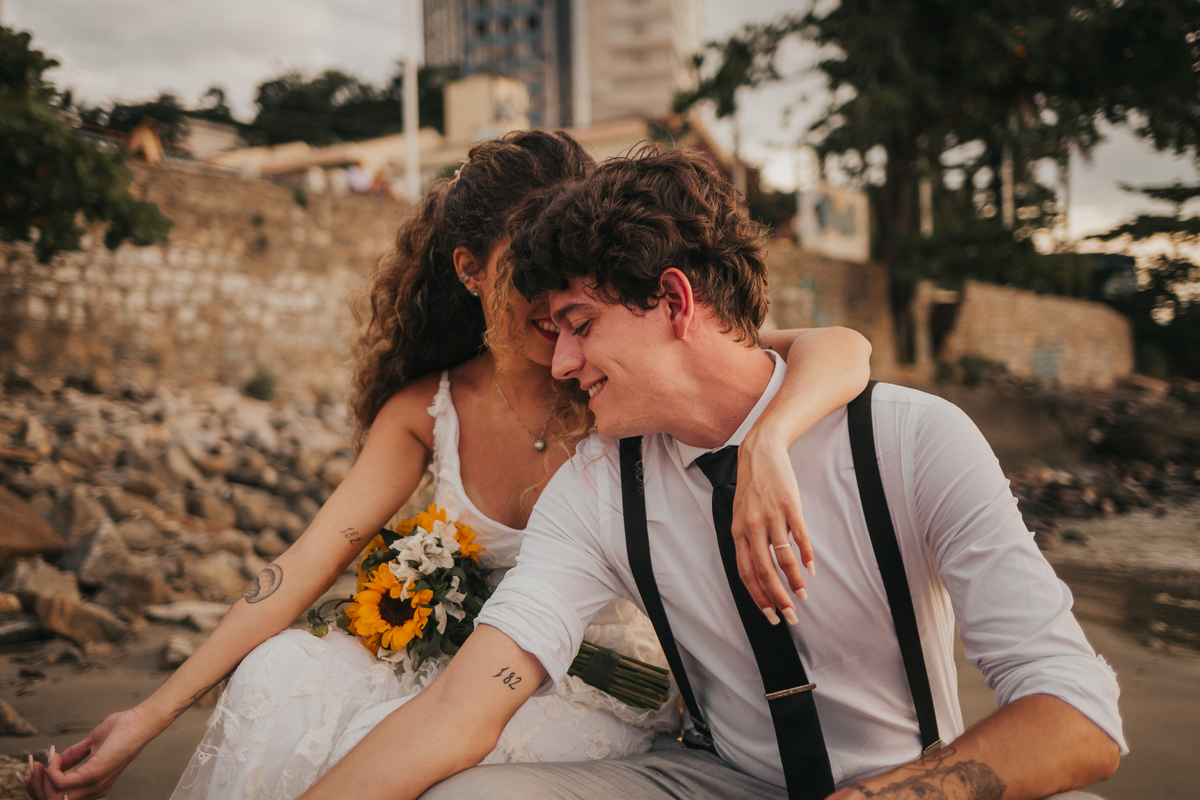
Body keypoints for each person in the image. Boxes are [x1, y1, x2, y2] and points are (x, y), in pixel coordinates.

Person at [24, 131, 873, 800]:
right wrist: (148, 713)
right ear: (468, 268)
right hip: (454, 673)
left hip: (608, 682)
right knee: (282, 675)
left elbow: (840, 348)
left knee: (455, 757)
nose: (553, 305)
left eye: (567, 277)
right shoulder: (424, 412)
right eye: (525, 271)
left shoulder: (624, 378)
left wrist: (769, 440)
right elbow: (301, 567)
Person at [291, 147, 1126, 800]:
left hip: (907, 779)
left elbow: (1078, 713)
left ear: (676, 302)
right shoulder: (596, 489)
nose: (563, 360)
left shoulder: (909, 440)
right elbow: (463, 704)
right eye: (551, 330)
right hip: (716, 781)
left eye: (578, 325)